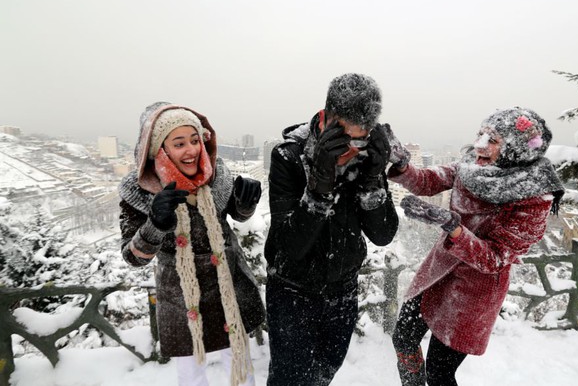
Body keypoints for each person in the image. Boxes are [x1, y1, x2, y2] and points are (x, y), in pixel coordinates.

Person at [386, 107, 564, 386]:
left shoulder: (534, 195)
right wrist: (402, 165)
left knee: (439, 372)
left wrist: (452, 226)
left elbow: (495, 258)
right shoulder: (471, 166)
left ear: (515, 150)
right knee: (404, 338)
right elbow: (427, 180)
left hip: (474, 292)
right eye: (480, 134)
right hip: (437, 274)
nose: (480, 144)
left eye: (492, 140)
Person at [264, 73, 400, 385]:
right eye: (348, 138)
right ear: (327, 118)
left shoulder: (366, 156)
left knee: (324, 374)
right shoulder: (289, 156)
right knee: (290, 379)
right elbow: (291, 245)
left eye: (362, 139)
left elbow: (383, 234)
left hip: (343, 290)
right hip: (292, 291)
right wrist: (320, 185)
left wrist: (372, 178)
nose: (354, 148)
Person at [119, 102, 265, 386]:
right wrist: (155, 224)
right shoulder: (138, 190)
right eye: (179, 143)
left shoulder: (216, 174)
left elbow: (235, 213)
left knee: (239, 365)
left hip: (227, 287)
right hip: (181, 295)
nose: (192, 150)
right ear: (159, 149)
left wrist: (246, 203)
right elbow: (133, 256)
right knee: (190, 374)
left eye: (195, 140)